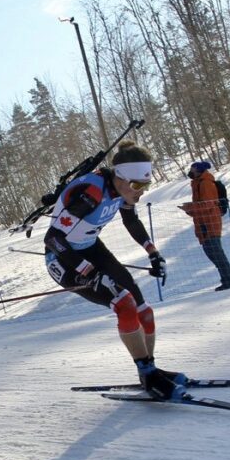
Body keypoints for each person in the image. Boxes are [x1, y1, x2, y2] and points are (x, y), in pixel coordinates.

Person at [43, 140, 188, 401]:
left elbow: (131, 219)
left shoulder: (122, 190)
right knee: (125, 304)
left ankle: (149, 371)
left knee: (144, 311)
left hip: (91, 248)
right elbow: (53, 238)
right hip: (64, 258)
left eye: (146, 185)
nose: (140, 191)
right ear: (119, 177)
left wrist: (153, 252)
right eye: (136, 185)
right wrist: (85, 270)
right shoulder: (92, 193)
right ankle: (146, 371)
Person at [178, 161, 230, 291]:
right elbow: (202, 206)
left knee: (217, 254)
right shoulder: (198, 183)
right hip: (204, 222)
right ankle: (227, 281)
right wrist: (189, 210)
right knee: (212, 253)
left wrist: (190, 207)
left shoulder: (205, 183)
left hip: (210, 222)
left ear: (198, 170)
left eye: (192, 169)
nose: (190, 171)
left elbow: (208, 204)